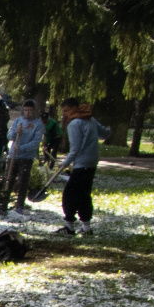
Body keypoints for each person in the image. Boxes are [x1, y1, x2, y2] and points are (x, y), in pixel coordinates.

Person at [55, 97, 108, 234]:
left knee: (70, 194)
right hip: (92, 161)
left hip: (82, 162)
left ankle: (69, 226)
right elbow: (105, 133)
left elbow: (76, 148)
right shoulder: (90, 120)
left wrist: (65, 163)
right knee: (84, 194)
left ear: (74, 109)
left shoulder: (74, 124)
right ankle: (86, 227)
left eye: (66, 110)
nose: (64, 114)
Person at [4, 99, 44, 212]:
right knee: (8, 179)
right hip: (13, 155)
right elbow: (9, 135)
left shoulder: (38, 124)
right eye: (25, 110)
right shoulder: (18, 121)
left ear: (34, 111)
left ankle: (20, 205)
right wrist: (15, 132)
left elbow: (36, 142)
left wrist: (22, 148)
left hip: (26, 157)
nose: (27, 112)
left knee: (23, 182)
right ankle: (4, 202)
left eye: (30, 110)